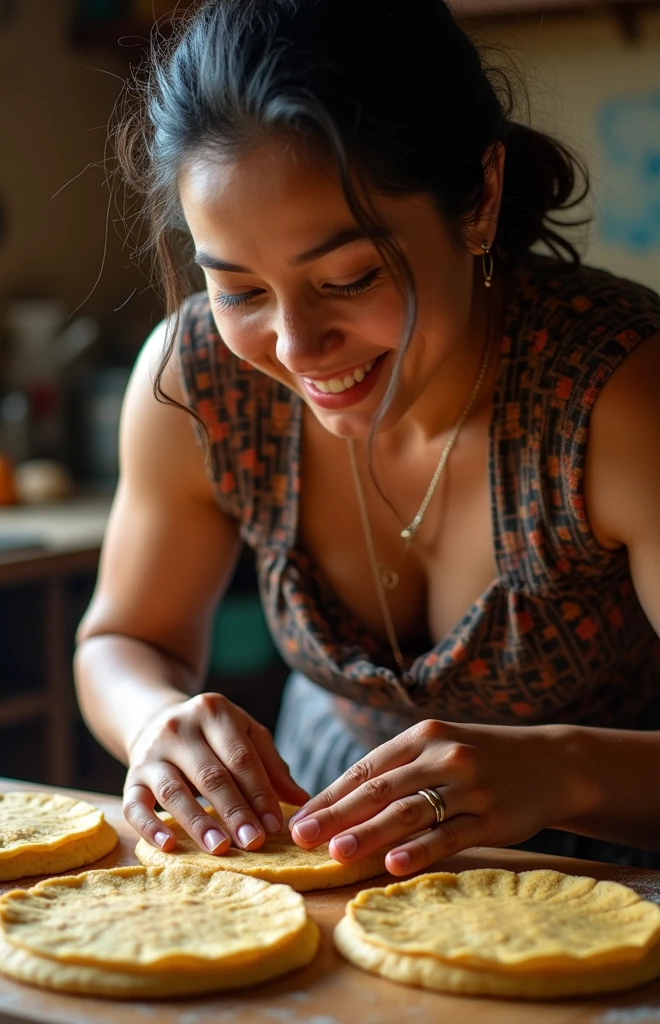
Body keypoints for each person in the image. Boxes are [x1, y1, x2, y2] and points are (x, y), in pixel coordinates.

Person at [74, 0, 660, 873]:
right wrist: (155, 716)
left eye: (349, 278)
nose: (296, 348)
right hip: (325, 844)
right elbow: (123, 641)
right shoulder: (199, 381)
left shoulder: (616, 393)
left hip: (607, 861)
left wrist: (562, 769)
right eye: (239, 291)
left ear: (480, 198)